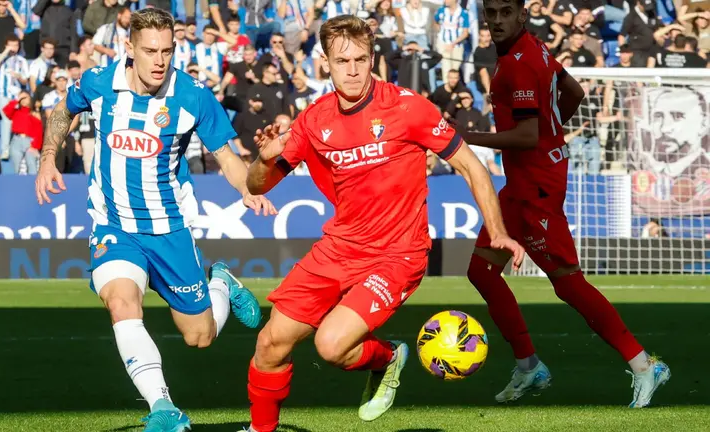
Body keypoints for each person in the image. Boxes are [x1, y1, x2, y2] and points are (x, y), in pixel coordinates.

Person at [239, 15, 525, 432]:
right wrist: (264, 160)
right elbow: (257, 184)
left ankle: (387, 356)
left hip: (397, 255)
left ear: (372, 58)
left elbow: (470, 166)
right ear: (326, 63)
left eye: (360, 59)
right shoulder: (315, 120)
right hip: (339, 248)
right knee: (269, 344)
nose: (353, 70)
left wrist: (496, 230)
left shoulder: (407, 107)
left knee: (331, 345)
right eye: (342, 61)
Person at [34, 8, 276, 432]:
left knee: (199, 336)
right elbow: (62, 111)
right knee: (121, 302)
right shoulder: (98, 82)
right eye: (150, 51)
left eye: (167, 50)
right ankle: (163, 407)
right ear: (130, 49)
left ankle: (220, 280)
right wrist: (47, 157)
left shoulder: (193, 96)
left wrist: (248, 190)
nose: (160, 61)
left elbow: (226, 156)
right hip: (114, 225)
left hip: (169, 229)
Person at [458, 0, 671, 409]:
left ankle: (645, 365)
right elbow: (574, 93)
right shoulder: (535, 48)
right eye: (492, 12)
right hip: (524, 183)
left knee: (568, 283)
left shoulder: (519, 63)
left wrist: (470, 137)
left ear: (522, 14)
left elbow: (525, 135)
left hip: (536, 186)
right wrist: (554, 134)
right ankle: (528, 366)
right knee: (481, 271)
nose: (497, 20)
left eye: (506, 12)